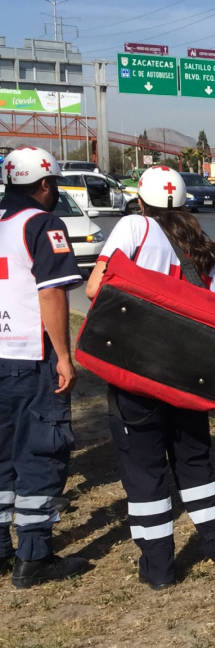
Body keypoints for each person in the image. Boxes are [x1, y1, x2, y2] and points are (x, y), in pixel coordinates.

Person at [84, 165, 215, 590]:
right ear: (185, 202)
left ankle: (158, 569)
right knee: (194, 461)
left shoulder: (134, 227)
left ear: (141, 201)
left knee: (145, 468)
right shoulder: (209, 248)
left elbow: (94, 289)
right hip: (188, 376)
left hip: (137, 368)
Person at [0, 146, 90, 587]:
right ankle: (33, 555)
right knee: (40, 449)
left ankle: (0, 548)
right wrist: (64, 355)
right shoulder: (43, 224)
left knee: (1, 456)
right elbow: (52, 294)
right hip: (30, 357)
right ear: (44, 185)